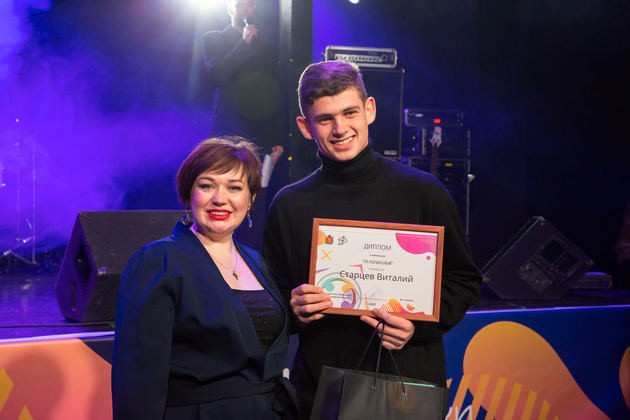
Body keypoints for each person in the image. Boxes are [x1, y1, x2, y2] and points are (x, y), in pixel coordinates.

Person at [262, 60, 483, 417]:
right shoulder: (289, 204)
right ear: (306, 127)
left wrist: (416, 327)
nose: (340, 128)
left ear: (370, 110)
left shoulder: (423, 192)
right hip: (320, 391)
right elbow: (269, 303)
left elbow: (464, 280)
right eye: (325, 119)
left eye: (349, 112)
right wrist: (293, 310)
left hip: (407, 384)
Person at [112, 137, 298, 419]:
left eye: (234, 188)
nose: (220, 198)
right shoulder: (157, 261)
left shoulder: (256, 261)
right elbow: (137, 378)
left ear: (250, 199)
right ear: (189, 194)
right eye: (207, 185)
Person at [202, 0, 285, 252]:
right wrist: (244, 42)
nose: (246, 9)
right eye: (240, 4)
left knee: (255, 200)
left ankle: (249, 262)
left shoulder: (268, 48)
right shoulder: (214, 38)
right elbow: (218, 74)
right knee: (221, 192)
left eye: (250, 5)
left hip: (260, 135)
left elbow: (274, 92)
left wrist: (278, 138)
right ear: (230, 9)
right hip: (226, 132)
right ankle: (215, 256)